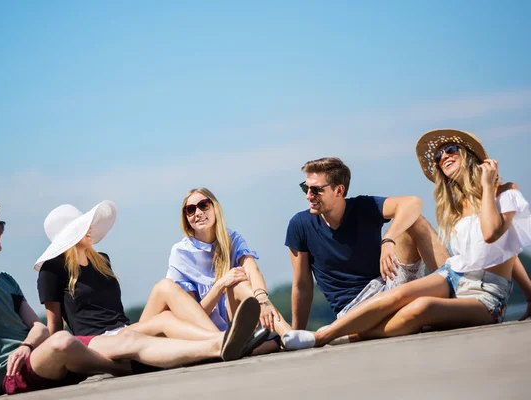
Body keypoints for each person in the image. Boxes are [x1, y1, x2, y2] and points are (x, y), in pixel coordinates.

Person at [0, 196, 258, 397]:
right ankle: (136, 367)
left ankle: (217, 345)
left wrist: (29, 344)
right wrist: (35, 344)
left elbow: (39, 328)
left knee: (128, 339)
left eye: (0, 223)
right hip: (10, 374)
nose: (0, 229)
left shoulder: (5, 281)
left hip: (39, 354)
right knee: (65, 342)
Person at [280, 128, 531, 349]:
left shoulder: (504, 191)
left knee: (421, 307)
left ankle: (331, 336)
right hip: (453, 276)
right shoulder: (457, 205)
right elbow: (504, 249)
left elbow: (495, 236)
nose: (443, 156)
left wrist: (388, 239)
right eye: (438, 155)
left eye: (451, 149)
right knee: (404, 298)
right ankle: (325, 334)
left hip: (484, 292)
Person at [34, 200, 262, 363]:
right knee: (164, 319)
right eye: (83, 226)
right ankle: (223, 339)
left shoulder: (101, 261)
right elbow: (55, 326)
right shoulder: (51, 270)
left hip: (125, 329)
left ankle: (224, 340)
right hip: (98, 340)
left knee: (164, 287)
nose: (90, 227)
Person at [286, 157, 449, 330]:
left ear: (339, 191)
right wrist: (297, 333)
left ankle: (455, 290)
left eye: (316, 190)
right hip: (355, 309)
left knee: (414, 221)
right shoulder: (300, 225)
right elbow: (302, 285)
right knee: (416, 315)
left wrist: (388, 239)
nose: (308, 195)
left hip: (390, 287)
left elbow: (413, 203)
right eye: (305, 187)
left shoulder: (364, 207)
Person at [144, 188, 291, 354]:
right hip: (203, 332)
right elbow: (193, 316)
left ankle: (287, 333)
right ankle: (267, 343)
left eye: (203, 205)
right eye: (190, 210)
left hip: (235, 327)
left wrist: (263, 300)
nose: (197, 213)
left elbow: (252, 269)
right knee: (232, 281)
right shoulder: (181, 253)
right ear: (186, 218)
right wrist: (220, 285)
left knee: (240, 284)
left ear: (215, 208)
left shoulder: (232, 239)